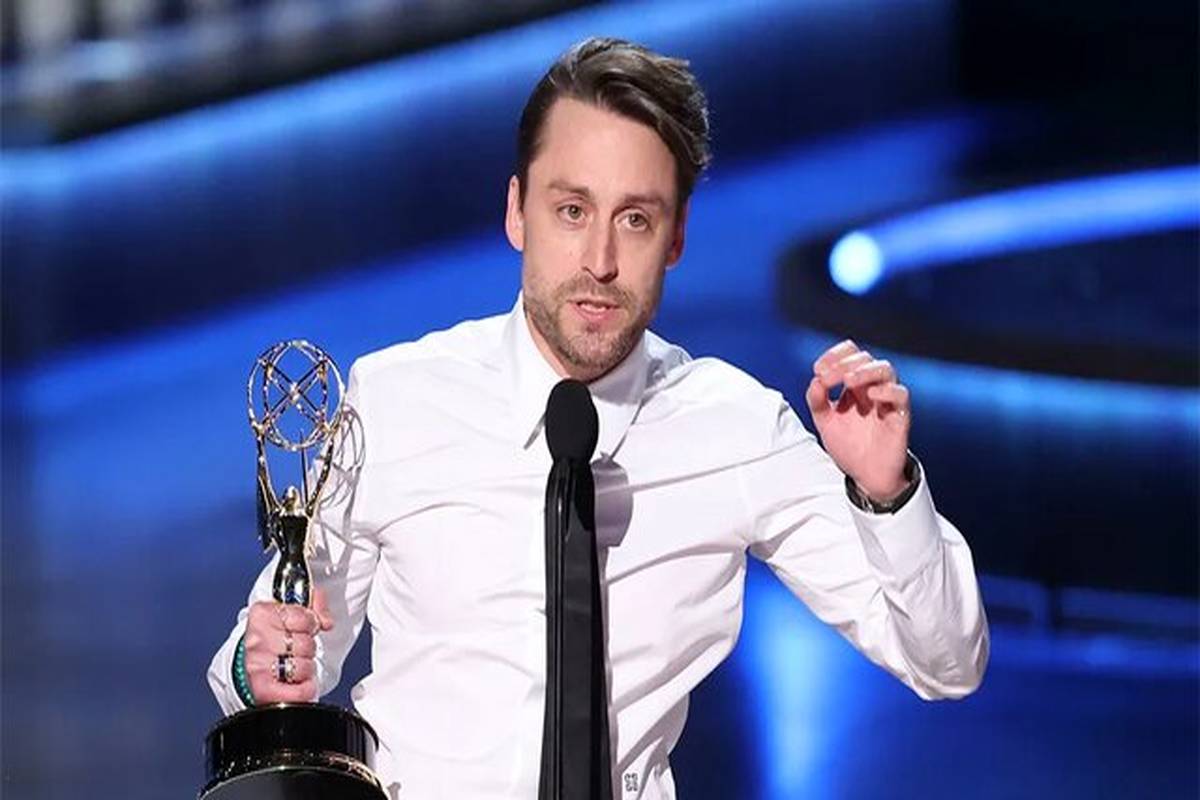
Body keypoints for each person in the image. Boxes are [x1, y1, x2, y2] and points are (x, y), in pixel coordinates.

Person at [209, 37, 989, 798]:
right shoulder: (395, 401)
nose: (600, 261)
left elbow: (947, 663)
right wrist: (262, 664)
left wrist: (886, 495)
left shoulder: (736, 429)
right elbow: (268, 657)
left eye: (636, 219)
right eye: (572, 210)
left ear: (676, 237)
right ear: (517, 213)